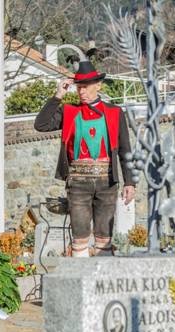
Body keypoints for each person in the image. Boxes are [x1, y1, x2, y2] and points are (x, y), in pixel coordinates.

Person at [34, 60, 135, 257]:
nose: (82, 92)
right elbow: (41, 124)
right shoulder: (69, 112)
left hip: (107, 181)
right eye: (79, 87)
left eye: (86, 87)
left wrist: (129, 181)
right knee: (79, 236)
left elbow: (125, 149)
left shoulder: (115, 113)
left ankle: (102, 281)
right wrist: (58, 96)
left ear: (98, 85)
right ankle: (80, 280)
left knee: (104, 236)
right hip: (78, 183)